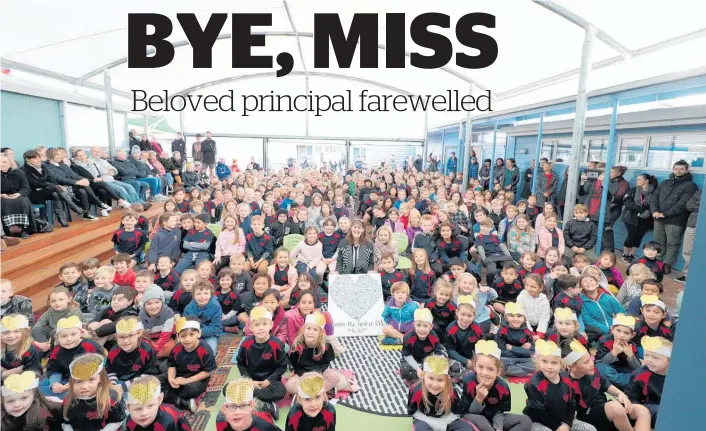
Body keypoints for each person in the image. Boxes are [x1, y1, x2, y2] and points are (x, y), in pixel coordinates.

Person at [561, 339, 652, 431]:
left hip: (605, 406)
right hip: (589, 415)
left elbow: (607, 386)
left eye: (590, 359)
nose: (591, 364)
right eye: (586, 362)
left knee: (642, 411)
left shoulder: (592, 371)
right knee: (616, 408)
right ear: (572, 366)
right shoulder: (567, 384)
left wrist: (622, 395)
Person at [459, 340, 532, 431]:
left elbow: (499, 412)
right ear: (474, 366)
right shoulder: (469, 381)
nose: (485, 373)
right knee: (481, 420)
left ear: (498, 372)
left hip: (493, 419)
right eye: (480, 367)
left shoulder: (502, 387)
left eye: (490, 369)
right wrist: (478, 398)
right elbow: (466, 413)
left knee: (525, 421)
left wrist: (498, 428)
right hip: (474, 419)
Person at [650, 160, 698, 274]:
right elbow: (655, 197)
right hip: (658, 217)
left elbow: (683, 204)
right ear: (673, 169)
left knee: (672, 243)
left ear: (686, 170)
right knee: (658, 241)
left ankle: (667, 265)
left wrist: (665, 214)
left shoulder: (690, 185)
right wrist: (655, 211)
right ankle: (658, 262)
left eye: (681, 169)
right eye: (676, 168)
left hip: (675, 220)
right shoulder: (665, 182)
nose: (678, 171)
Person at [162, 317, 216, 412]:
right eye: (183, 336)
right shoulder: (176, 348)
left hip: (196, 378)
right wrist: (171, 379)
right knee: (157, 382)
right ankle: (181, 401)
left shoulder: (205, 350)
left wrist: (185, 381)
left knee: (191, 390)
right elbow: (172, 366)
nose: (187, 339)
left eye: (191, 335)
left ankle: (175, 398)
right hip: (179, 374)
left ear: (198, 333)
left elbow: (207, 372)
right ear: (178, 337)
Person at [218, 378, 282, 431]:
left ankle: (266, 405)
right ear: (225, 408)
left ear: (252, 406)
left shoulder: (264, 425)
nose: (237, 412)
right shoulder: (221, 420)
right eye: (232, 406)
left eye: (243, 406)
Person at [621, 173, 658, 262]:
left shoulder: (654, 192)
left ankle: (631, 255)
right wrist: (640, 209)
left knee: (638, 237)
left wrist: (648, 211)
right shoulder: (633, 190)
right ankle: (625, 254)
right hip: (631, 217)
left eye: (639, 179)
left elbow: (655, 204)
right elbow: (627, 202)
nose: (637, 181)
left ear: (646, 181)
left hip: (646, 218)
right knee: (631, 235)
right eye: (637, 179)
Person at [1, 153, 37, 237]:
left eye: (4, 162)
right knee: (4, 203)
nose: (1, 164)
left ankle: (24, 229)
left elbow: (26, 188)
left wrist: (18, 194)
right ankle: (7, 230)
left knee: (22, 201)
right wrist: (2, 195)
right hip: (2, 197)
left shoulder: (19, 173)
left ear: (10, 163)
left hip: (18, 195)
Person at [678, 188, 699, 283]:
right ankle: (687, 275)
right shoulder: (701, 191)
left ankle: (699, 276)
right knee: (687, 251)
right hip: (693, 224)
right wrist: (701, 207)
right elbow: (689, 205)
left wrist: (698, 206)